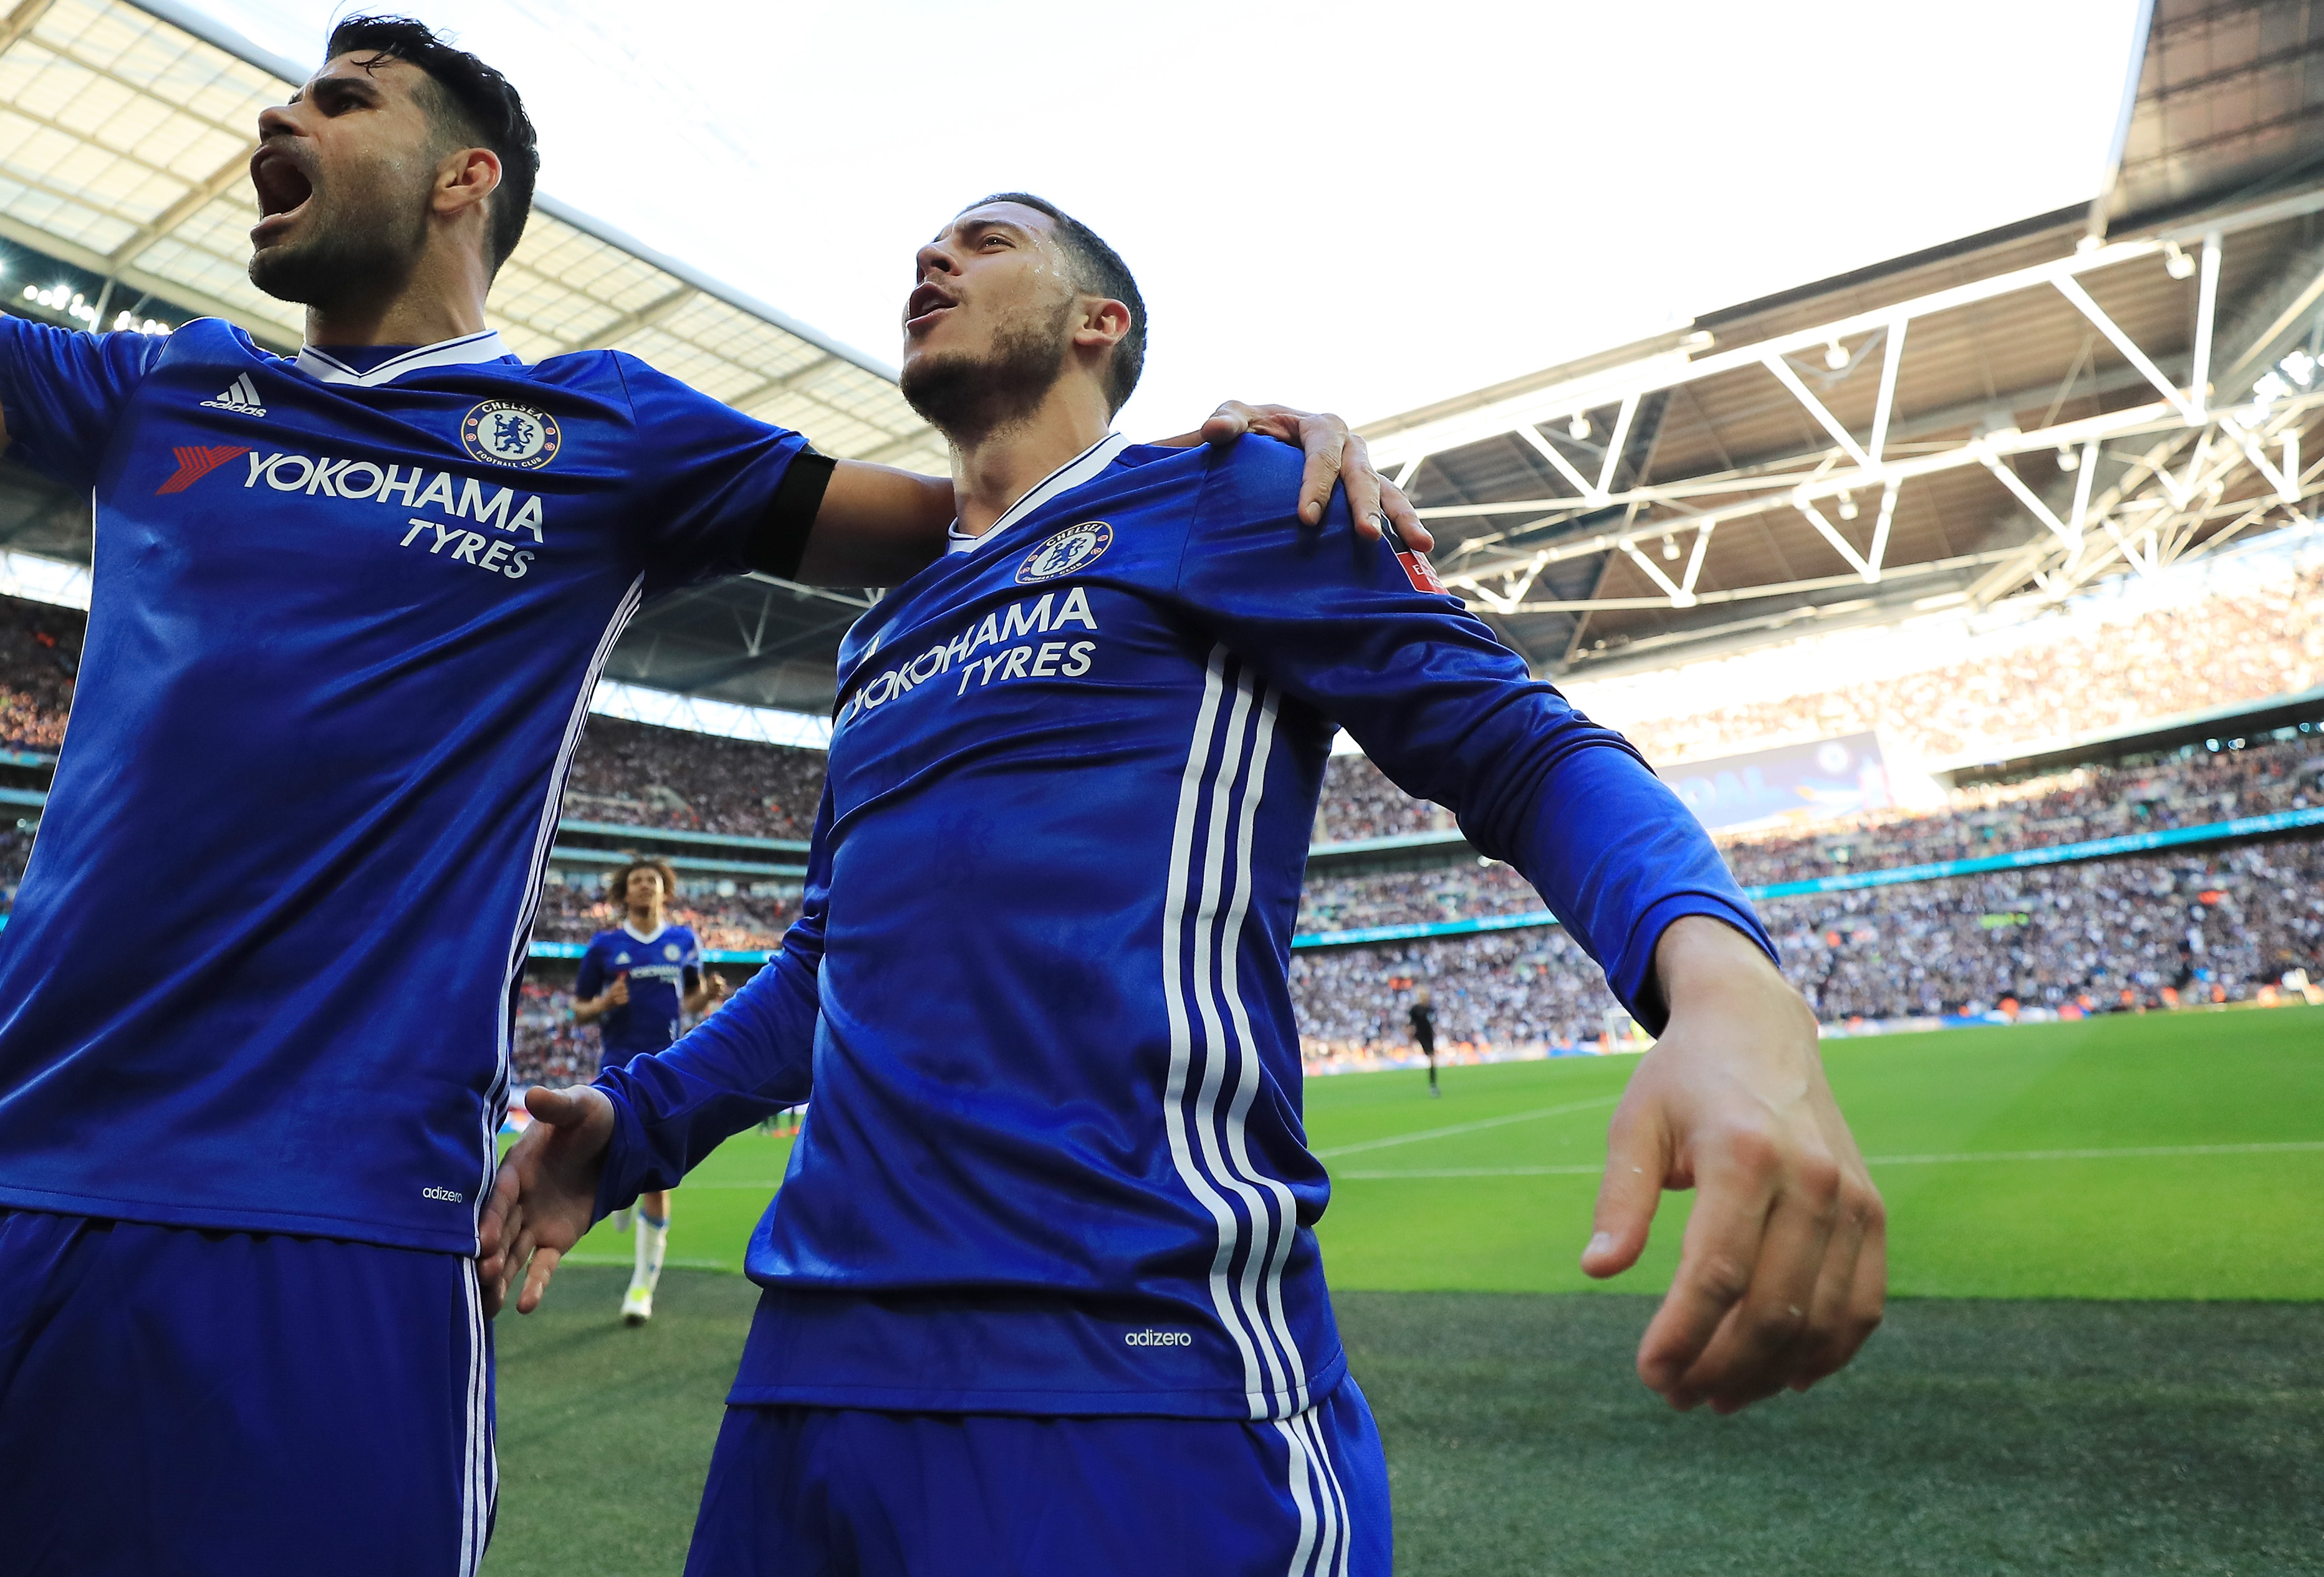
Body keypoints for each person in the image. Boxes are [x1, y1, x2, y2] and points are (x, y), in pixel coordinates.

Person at [0, 0, 1426, 1577]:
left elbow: (984, 510)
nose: (276, 122)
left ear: (460, 181)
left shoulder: (609, 433)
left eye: (337, 96)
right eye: (285, 96)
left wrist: (1239, 458)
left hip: (340, 1229)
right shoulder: (165, 384)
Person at [483, 193, 1887, 1576]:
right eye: (929, 242)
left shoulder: (1227, 496)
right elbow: (824, 965)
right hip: (805, 1387)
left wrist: (1716, 981)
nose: (931, 254)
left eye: (986, 240)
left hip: (1130, 1367)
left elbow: (1519, 746)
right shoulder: (881, 632)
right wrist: (636, 1124)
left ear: (1100, 322)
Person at [570, 857, 727, 1323]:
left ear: (665, 891)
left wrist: (709, 994)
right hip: (617, 1069)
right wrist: (603, 1002)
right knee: (608, 1164)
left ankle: (641, 1289)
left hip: (667, 1069)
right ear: (624, 893)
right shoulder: (605, 947)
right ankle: (621, 1191)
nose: (644, 887)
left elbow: (689, 1002)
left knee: (657, 1178)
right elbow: (579, 1011)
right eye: (636, 881)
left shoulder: (684, 942)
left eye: (652, 881)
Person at [1406, 992, 1439, 1096]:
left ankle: (1433, 1085)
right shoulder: (1416, 1009)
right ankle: (1433, 1086)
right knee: (1432, 1059)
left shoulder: (1430, 1008)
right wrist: (1410, 1038)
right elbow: (1410, 1024)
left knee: (1433, 1060)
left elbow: (1433, 1022)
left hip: (1429, 1036)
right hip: (1421, 1036)